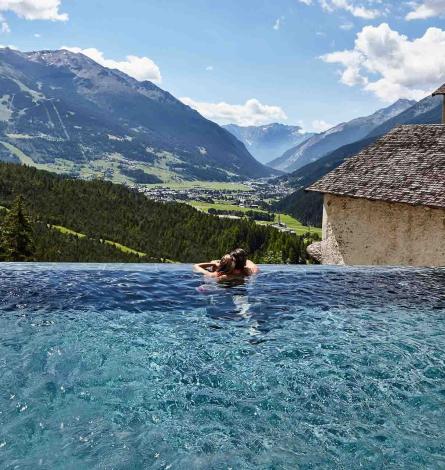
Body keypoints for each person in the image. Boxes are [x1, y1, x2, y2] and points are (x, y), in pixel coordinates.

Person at [193, 248, 259, 279]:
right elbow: (249, 261)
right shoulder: (249, 271)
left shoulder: (221, 275)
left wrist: (214, 264)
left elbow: (196, 266)